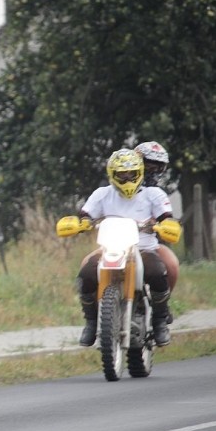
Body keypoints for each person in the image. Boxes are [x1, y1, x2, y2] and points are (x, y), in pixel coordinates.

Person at [75, 148, 177, 348]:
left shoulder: (153, 194)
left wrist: (166, 225)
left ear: (139, 173)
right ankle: (91, 321)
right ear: (112, 174)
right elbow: (84, 215)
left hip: (143, 248)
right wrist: (81, 223)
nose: (127, 178)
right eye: (121, 174)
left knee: (157, 272)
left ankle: (159, 321)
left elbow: (167, 217)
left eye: (131, 173)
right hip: (109, 248)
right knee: (86, 273)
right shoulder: (102, 194)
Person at [134, 141, 180, 293]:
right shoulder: (113, 188)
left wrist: (164, 225)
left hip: (148, 244)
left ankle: (162, 304)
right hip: (116, 244)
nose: (152, 172)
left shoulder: (157, 193)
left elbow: (166, 218)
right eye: (148, 166)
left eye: (158, 168)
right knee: (88, 264)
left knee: (172, 265)